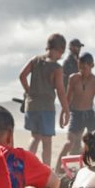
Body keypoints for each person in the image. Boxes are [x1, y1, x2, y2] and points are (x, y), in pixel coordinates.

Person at [19, 33, 71, 168]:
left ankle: (27, 166)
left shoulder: (35, 60)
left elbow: (22, 76)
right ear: (60, 49)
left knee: (35, 137)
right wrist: (66, 110)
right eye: (62, 53)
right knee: (47, 142)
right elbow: (60, 91)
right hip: (47, 108)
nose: (61, 56)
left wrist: (28, 91)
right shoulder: (56, 68)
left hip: (31, 106)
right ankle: (46, 169)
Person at [57, 53, 95, 161]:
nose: (81, 71)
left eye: (84, 68)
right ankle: (58, 168)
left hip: (89, 114)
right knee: (69, 142)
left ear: (92, 66)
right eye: (79, 67)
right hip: (75, 114)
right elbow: (67, 99)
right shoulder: (73, 78)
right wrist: (62, 114)